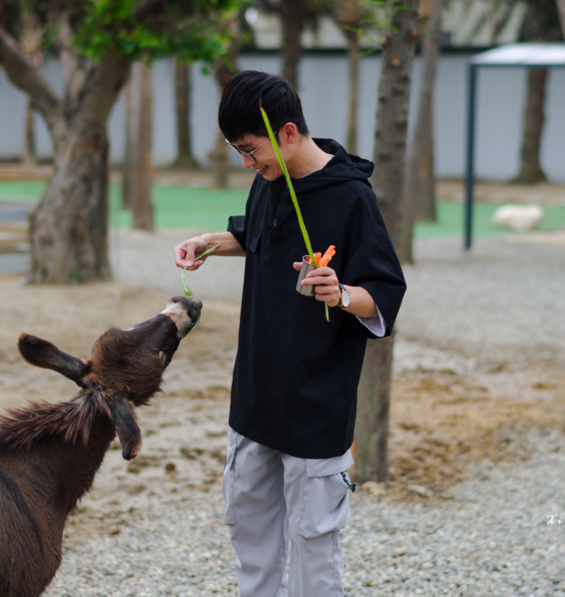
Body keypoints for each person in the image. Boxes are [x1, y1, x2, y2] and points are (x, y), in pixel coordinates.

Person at [172, 71, 406, 597]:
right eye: (238, 151)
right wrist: (208, 242)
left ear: (289, 133)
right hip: (255, 398)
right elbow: (252, 236)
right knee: (250, 537)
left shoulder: (351, 199)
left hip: (317, 406)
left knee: (313, 546)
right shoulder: (269, 180)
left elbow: (385, 296)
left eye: (251, 150)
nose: (246, 163)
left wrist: (341, 292)